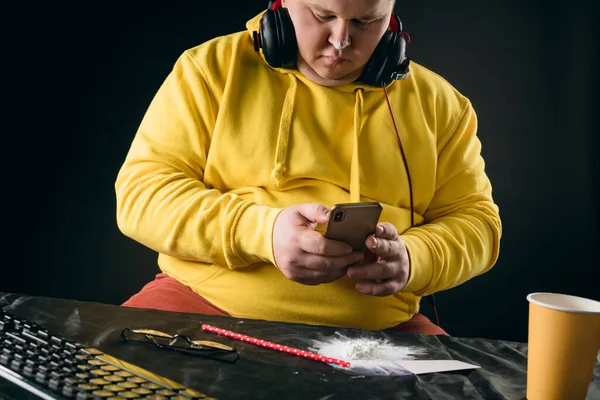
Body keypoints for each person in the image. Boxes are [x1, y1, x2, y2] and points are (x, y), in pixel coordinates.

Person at [115, 0, 501, 336]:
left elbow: (478, 223)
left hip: (384, 332)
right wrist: (261, 233)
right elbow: (140, 195)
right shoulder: (209, 69)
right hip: (198, 302)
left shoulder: (442, 105)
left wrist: (416, 258)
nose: (340, 40)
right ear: (282, 5)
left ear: (392, 20)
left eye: (365, 22)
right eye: (322, 14)